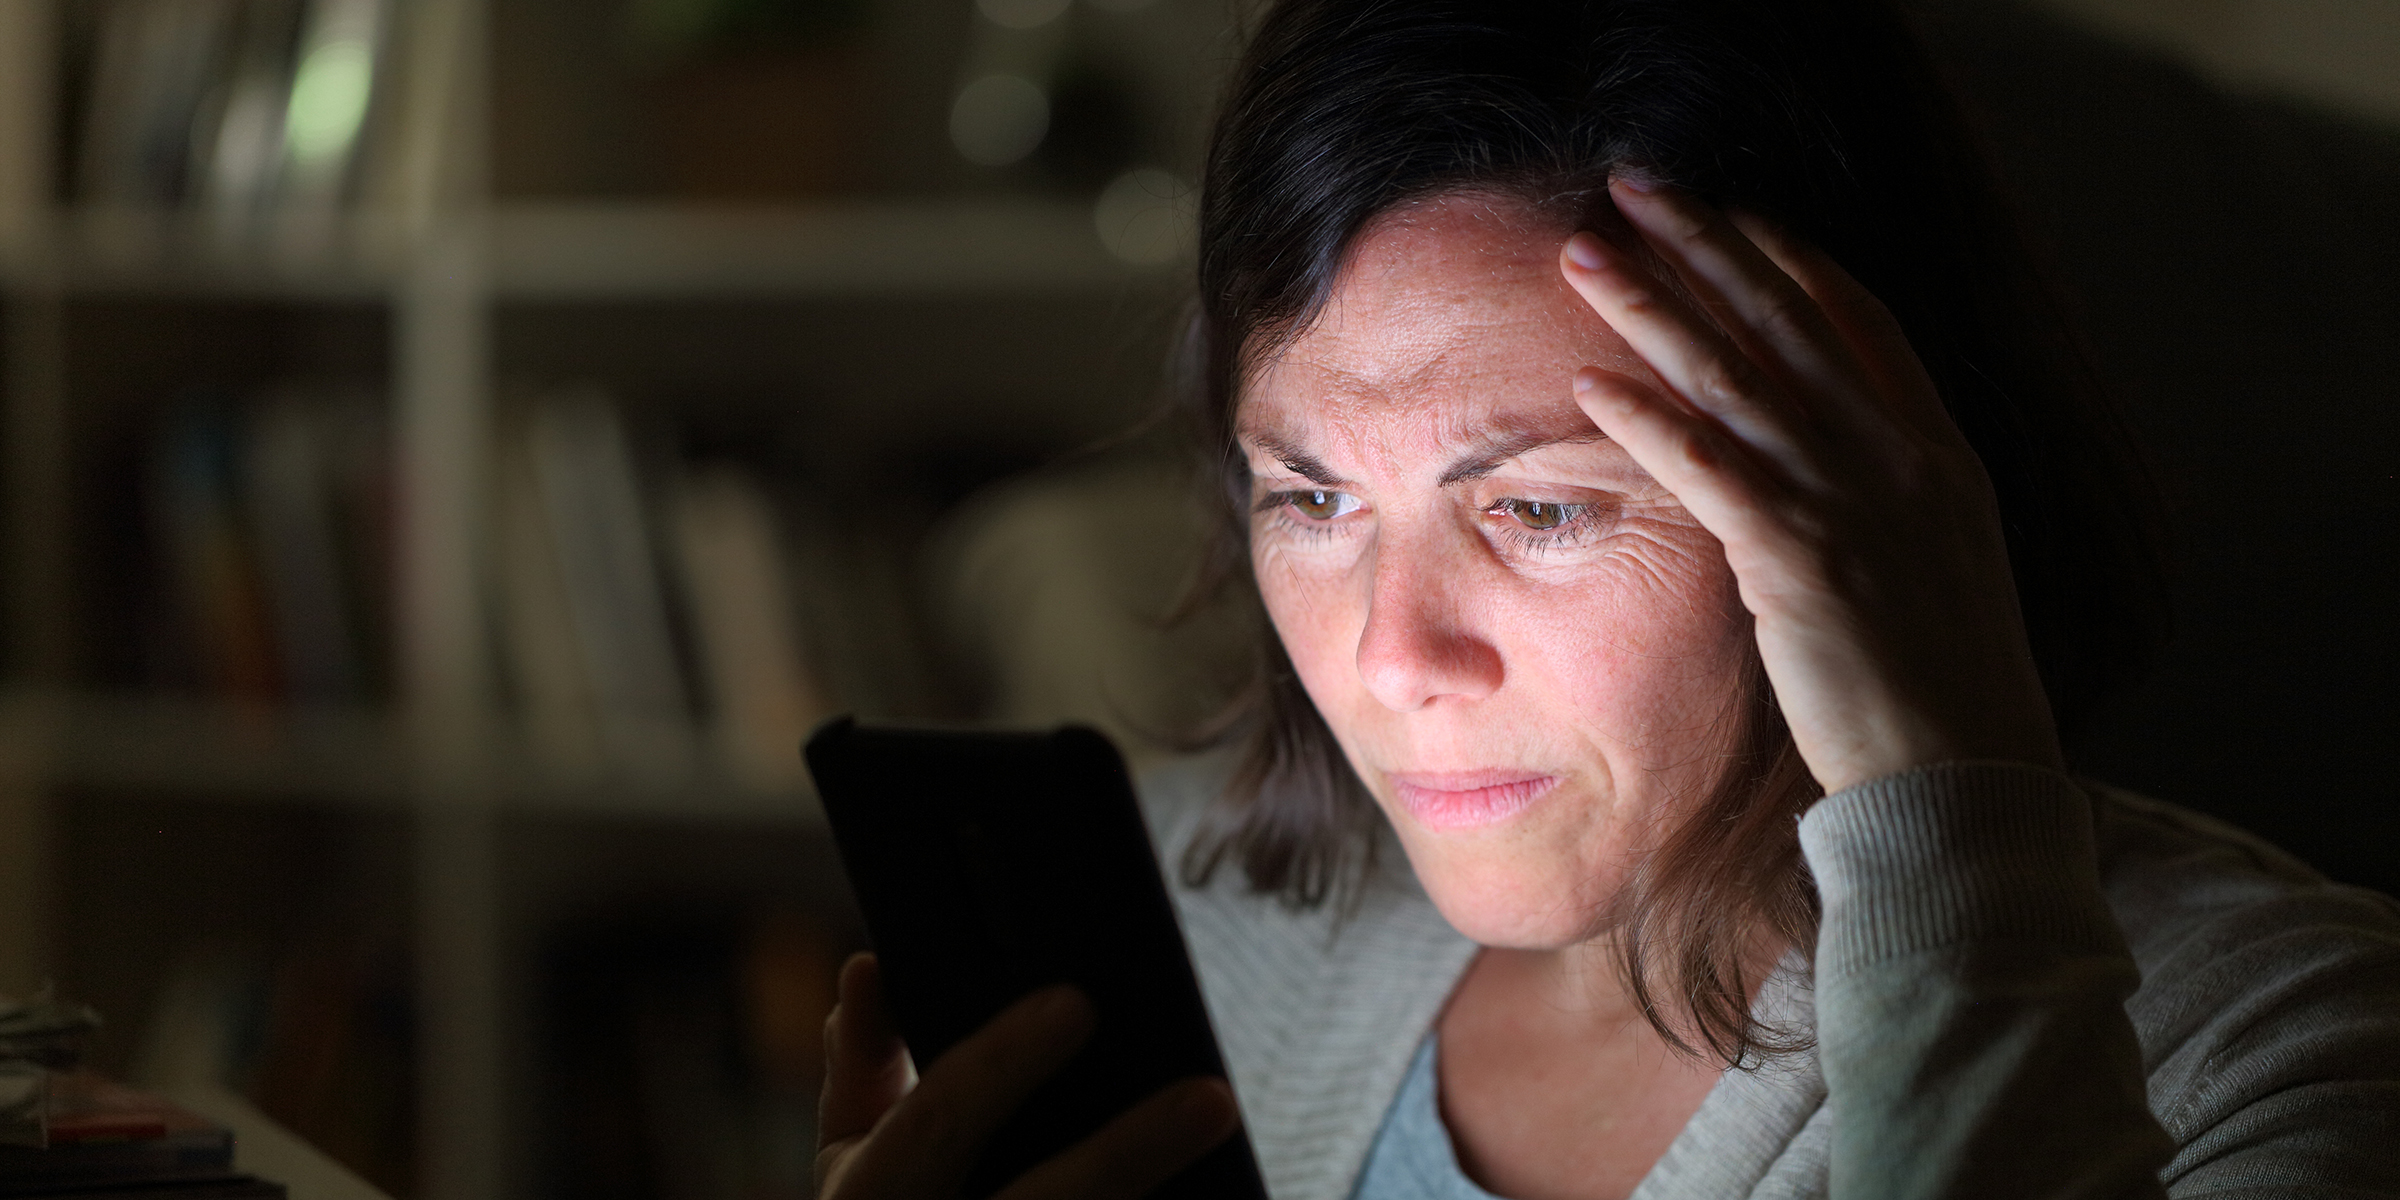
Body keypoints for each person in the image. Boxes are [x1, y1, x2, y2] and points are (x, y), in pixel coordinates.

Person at [813, 1, 2400, 1197]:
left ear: (1893, 487)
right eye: (1311, 497)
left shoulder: (2273, 1049)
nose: (1389, 654)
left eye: (1542, 507)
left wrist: (1952, 812)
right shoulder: (1175, 930)